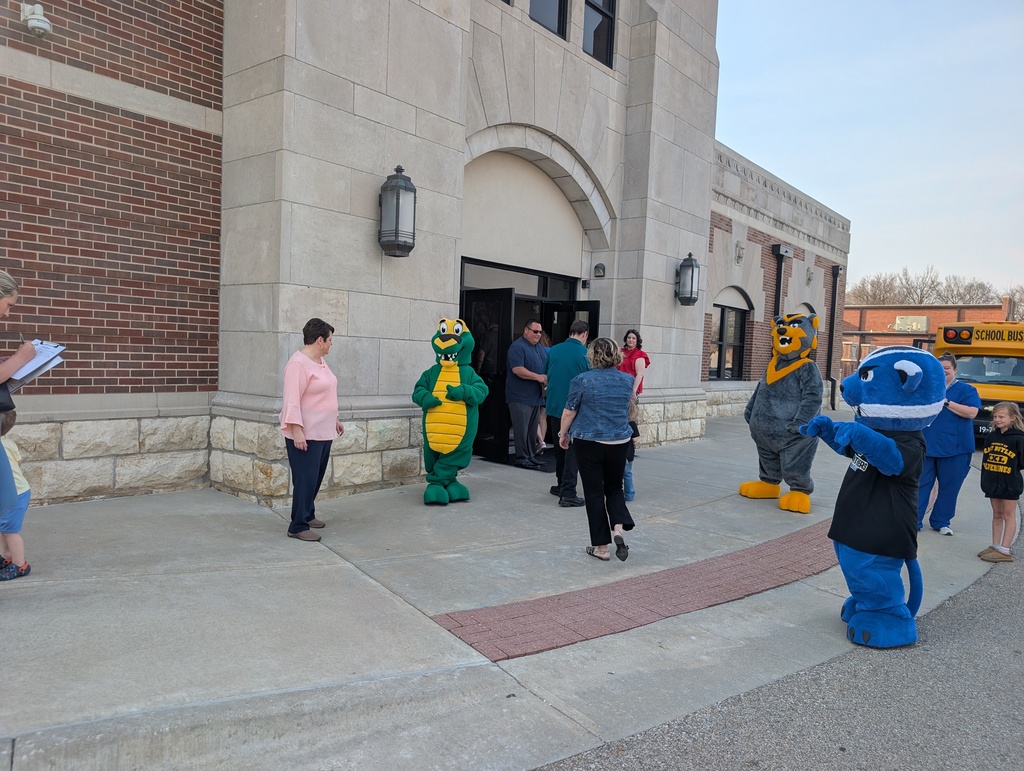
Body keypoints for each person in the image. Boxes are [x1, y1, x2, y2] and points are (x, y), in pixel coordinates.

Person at [559, 337, 635, 562]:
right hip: (619, 441)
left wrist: (563, 434)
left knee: (593, 493)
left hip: (589, 441)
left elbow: (569, 411)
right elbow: (629, 408)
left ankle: (601, 547)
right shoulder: (627, 379)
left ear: (592, 355)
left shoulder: (581, 380)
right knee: (614, 487)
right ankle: (618, 530)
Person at [280, 318, 345, 542]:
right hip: (306, 434)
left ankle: (307, 514)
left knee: (315, 477)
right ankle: (297, 525)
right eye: (330, 340)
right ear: (320, 340)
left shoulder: (319, 361)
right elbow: (292, 401)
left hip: (324, 431)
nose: (331, 344)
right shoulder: (298, 364)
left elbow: (325, 393)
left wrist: (334, 419)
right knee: (305, 479)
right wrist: (297, 431)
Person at [917, 352, 980, 535]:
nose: (943, 372)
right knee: (920, 485)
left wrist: (946, 402)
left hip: (956, 448)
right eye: (940, 368)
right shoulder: (926, 388)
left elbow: (971, 413)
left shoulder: (966, 390)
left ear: (955, 370)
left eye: (947, 369)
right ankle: (914, 522)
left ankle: (941, 521)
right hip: (927, 446)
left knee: (949, 487)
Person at [544, 320, 589, 507]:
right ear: (585, 334)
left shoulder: (553, 350)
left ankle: (561, 484)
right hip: (574, 408)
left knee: (559, 448)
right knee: (572, 450)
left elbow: (546, 374)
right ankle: (568, 492)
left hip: (554, 406)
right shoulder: (585, 353)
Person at [978, 402, 1024, 563]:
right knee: (997, 514)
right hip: (992, 482)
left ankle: (1005, 550)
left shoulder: (1019, 438)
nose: (997, 420)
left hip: (1010, 484)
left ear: (1012, 418)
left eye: (1001, 417)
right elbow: (985, 459)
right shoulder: (991, 436)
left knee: (1008, 515)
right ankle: (996, 546)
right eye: (995, 416)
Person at [505, 319, 548, 469]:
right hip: (520, 396)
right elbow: (517, 369)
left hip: (535, 396)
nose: (538, 334)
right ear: (526, 330)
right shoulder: (517, 347)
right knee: (521, 429)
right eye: (535, 331)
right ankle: (521, 457)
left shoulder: (540, 348)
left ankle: (530, 455)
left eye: (540, 332)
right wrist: (539, 377)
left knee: (531, 429)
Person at [0, 410, 31, 580]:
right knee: (3, 528)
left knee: (10, 531)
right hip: (14, 492)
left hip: (15, 494)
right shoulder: (8, 443)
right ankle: (6, 557)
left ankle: (20, 565)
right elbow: (18, 462)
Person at [618, 328, 650, 402]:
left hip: (630, 388)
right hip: (619, 386)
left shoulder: (639, 354)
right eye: (629, 338)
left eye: (633, 338)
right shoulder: (620, 352)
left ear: (637, 341)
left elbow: (640, 374)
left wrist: (633, 391)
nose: (630, 340)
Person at [623, 404, 640, 502]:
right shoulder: (631, 423)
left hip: (618, 453)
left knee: (617, 474)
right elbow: (635, 439)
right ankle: (629, 494)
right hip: (628, 454)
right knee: (628, 474)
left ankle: (619, 493)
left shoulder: (618, 423)